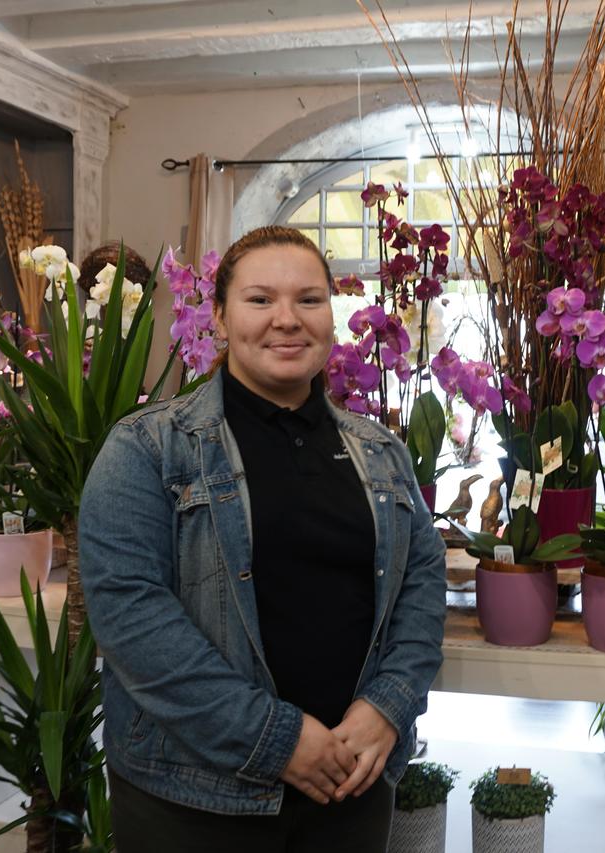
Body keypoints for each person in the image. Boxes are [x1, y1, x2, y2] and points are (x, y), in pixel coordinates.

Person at [80, 226, 447, 852]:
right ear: (219, 319)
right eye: (259, 300)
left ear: (331, 318)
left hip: (350, 783)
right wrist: (278, 741)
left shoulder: (380, 451)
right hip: (195, 796)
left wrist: (388, 705)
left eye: (309, 299)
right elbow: (132, 621)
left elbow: (422, 579)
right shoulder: (147, 449)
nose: (287, 320)